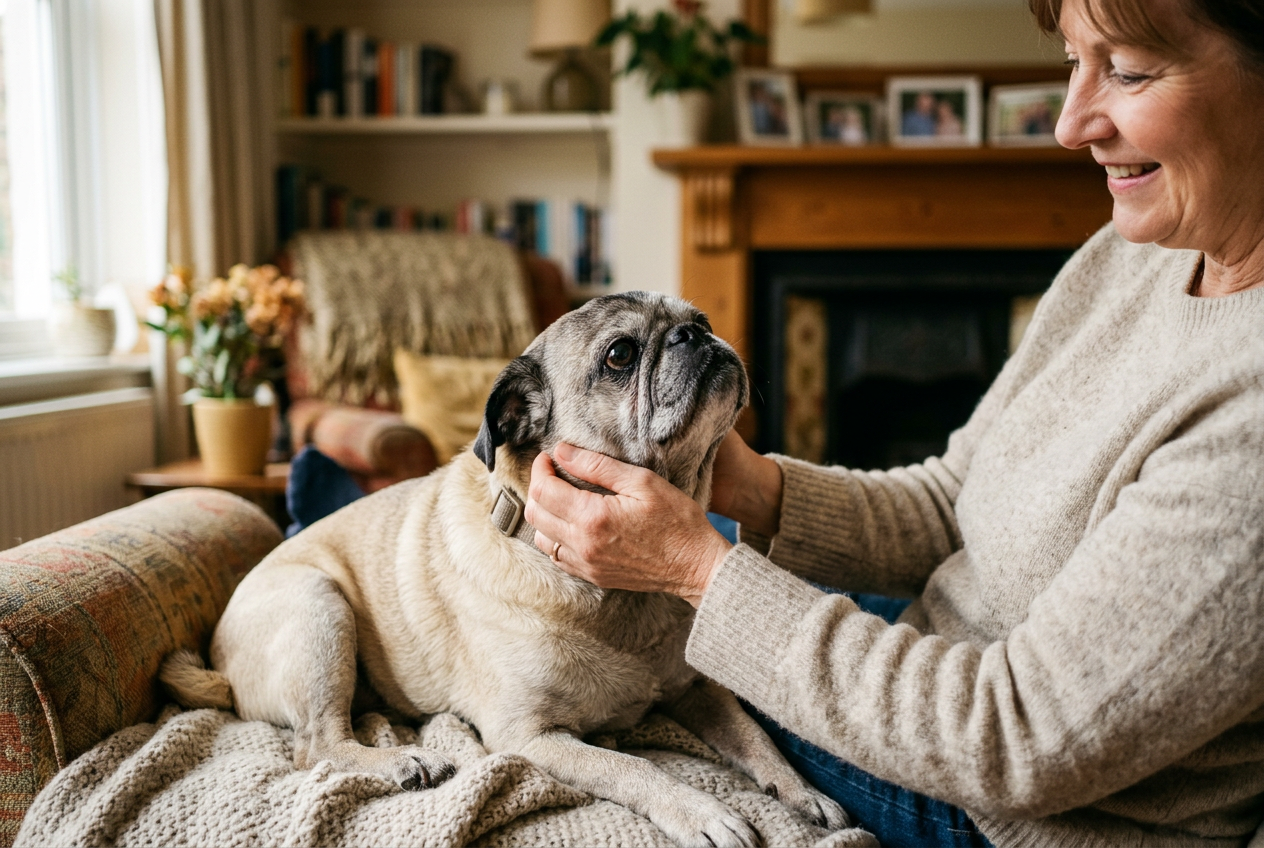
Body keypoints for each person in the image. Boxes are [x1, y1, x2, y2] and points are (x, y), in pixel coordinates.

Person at [523, 0, 1264, 845]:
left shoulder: (1251, 417)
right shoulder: (1136, 255)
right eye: (1071, 61)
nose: (1069, 124)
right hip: (928, 662)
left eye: (1128, 71)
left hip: (1000, 805)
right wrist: (752, 486)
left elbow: (1017, 740)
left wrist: (697, 571)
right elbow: (956, 496)